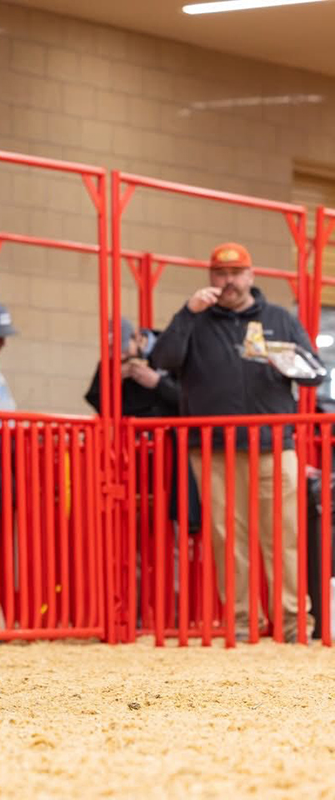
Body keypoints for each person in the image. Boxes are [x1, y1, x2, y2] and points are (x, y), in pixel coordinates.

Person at [151, 242, 323, 642]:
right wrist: (186, 313)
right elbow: (163, 359)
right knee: (228, 537)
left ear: (251, 275)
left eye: (235, 273)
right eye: (220, 274)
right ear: (211, 277)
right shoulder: (194, 318)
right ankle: (242, 623)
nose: (227, 282)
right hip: (212, 450)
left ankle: (294, 623)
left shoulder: (280, 318)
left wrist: (291, 362)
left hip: (274, 444)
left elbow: (314, 373)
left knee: (283, 535)